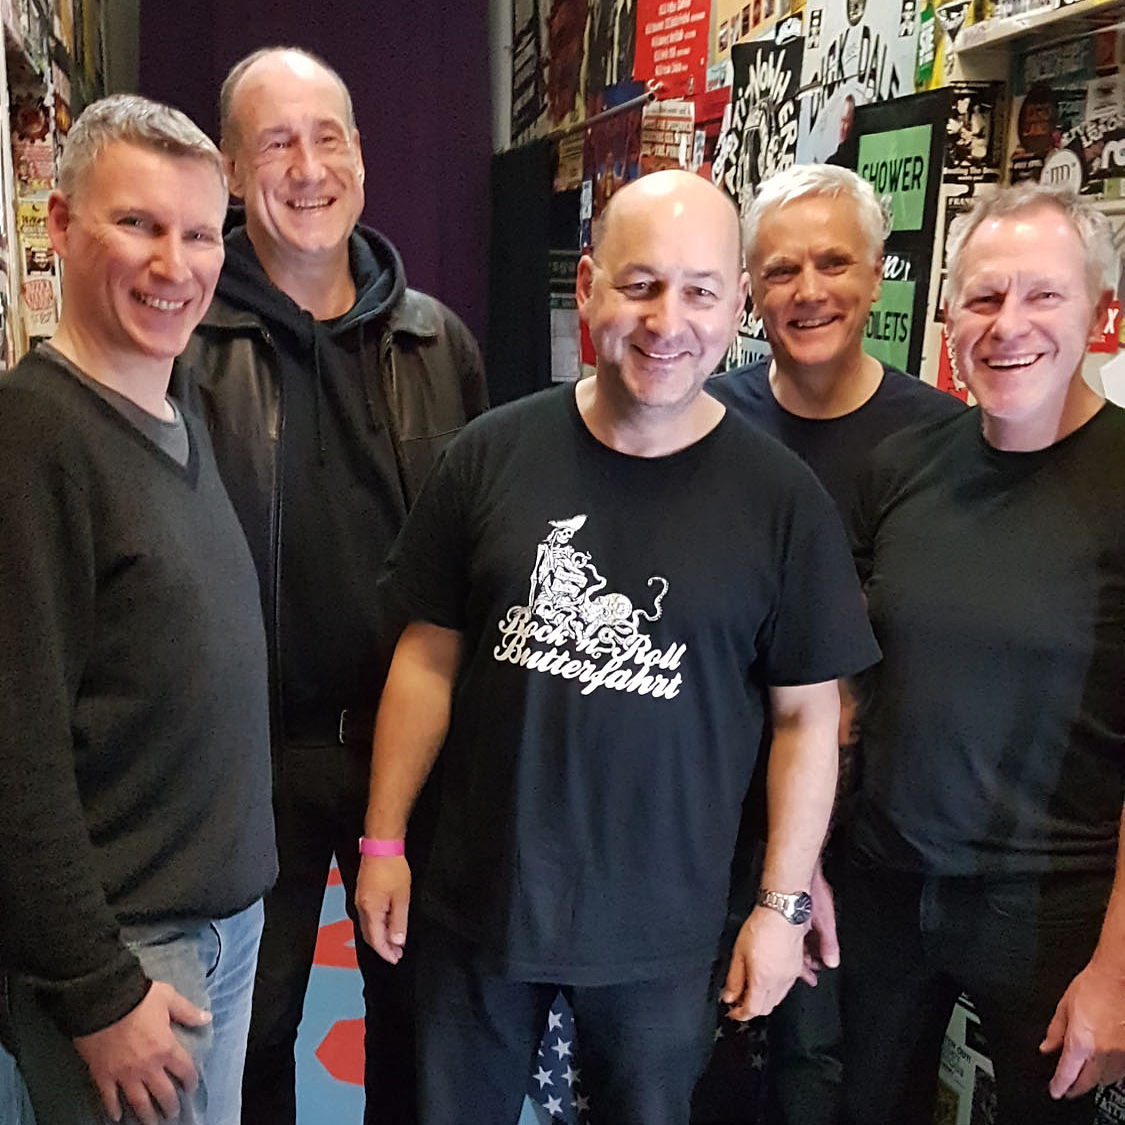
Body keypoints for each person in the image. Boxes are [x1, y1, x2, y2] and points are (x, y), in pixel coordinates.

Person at [354, 168, 880, 1124]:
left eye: (699, 292)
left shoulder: (781, 501)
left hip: (665, 937)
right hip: (481, 907)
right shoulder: (487, 455)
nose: (666, 320)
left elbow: (807, 720)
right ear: (588, 286)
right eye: (640, 285)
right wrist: (383, 839)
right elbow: (425, 660)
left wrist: (781, 905)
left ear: (735, 306)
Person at [177, 47, 487, 1125]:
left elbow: (478, 553)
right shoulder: (184, 340)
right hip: (246, 759)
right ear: (229, 171)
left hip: (413, 752)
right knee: (251, 1034)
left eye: (328, 138)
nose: (308, 169)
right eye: (276, 143)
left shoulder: (437, 340)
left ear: (360, 152)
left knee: (418, 1022)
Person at [0, 94, 276, 1125]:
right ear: (61, 225)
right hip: (131, 956)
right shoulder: (32, 442)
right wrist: (95, 989)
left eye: (199, 233)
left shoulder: (174, 409)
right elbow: (14, 749)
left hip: (215, 931)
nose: (175, 264)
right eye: (137, 224)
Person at [841, 183, 1125, 1123]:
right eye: (983, 296)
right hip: (884, 883)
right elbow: (848, 686)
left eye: (1042, 295)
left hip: (1052, 908)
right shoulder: (901, 466)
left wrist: (1116, 969)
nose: (1007, 325)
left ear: (1100, 312)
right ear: (949, 317)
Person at [706, 163, 963, 1125]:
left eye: (832, 263)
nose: (806, 290)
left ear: (878, 272)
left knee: (826, 1072)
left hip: (869, 833)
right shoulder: (707, 418)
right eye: (780, 270)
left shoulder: (943, 441)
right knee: (695, 1057)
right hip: (710, 810)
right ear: (749, 288)